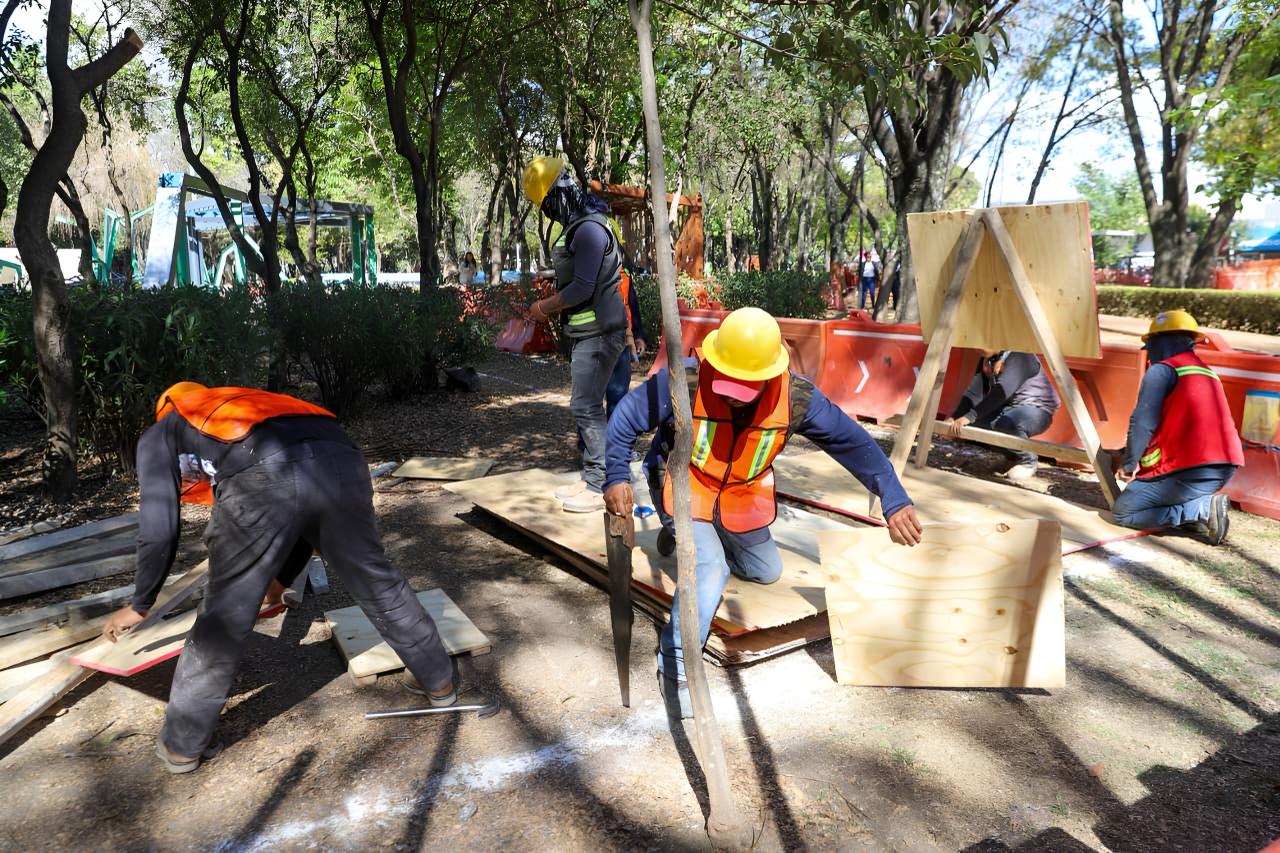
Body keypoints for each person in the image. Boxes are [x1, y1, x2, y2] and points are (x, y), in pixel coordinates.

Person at [103, 382, 464, 773]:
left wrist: (140, 604)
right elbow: (301, 507)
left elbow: (159, 528)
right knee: (376, 579)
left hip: (263, 474)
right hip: (342, 462)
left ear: (166, 410)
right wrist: (279, 582)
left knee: (225, 613)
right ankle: (439, 682)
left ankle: (182, 745)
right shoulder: (243, 403)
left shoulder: (162, 431)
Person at [603, 307, 923, 717]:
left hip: (739, 497)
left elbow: (854, 443)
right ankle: (677, 664)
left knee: (766, 570)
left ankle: (692, 541)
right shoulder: (684, 380)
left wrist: (893, 498)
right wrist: (615, 476)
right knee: (711, 568)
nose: (733, 388)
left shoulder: (797, 397)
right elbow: (626, 418)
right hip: (683, 488)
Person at [522, 155, 629, 513]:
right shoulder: (584, 226)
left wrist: (544, 307)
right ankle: (597, 476)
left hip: (598, 333)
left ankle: (600, 484)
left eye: (546, 204)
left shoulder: (588, 229)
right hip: (593, 331)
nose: (547, 212)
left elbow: (584, 287)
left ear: (558, 195)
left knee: (585, 406)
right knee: (593, 406)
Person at [1108, 311, 1243, 543]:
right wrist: (1125, 451)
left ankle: (1199, 510)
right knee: (1162, 498)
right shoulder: (1207, 372)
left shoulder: (1161, 371)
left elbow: (1142, 422)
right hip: (1223, 467)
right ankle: (1197, 515)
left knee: (1125, 511)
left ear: (1158, 343)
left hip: (1188, 469)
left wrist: (1128, 465)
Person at [942, 350, 1061, 481]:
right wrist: (955, 417)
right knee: (972, 425)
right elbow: (974, 393)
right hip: (1007, 409)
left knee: (1006, 423)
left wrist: (968, 417)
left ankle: (1027, 460)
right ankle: (1012, 457)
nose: (976, 347)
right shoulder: (987, 359)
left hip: (1037, 410)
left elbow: (1002, 391)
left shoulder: (1021, 355)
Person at [605, 267, 648, 420]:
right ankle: (588, 443)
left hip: (621, 341)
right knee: (590, 402)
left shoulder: (624, 274)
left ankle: (613, 439)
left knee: (618, 396)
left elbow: (632, 305)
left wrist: (638, 336)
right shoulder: (587, 265)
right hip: (593, 342)